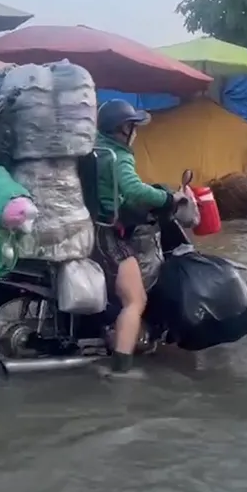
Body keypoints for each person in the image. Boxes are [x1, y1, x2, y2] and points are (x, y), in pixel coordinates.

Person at [90, 99, 181, 378]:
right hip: (108, 234)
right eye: (132, 126)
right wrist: (168, 197)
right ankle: (121, 369)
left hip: (86, 227)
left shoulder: (92, 149)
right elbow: (133, 191)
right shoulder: (118, 156)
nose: (135, 132)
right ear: (123, 129)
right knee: (135, 300)